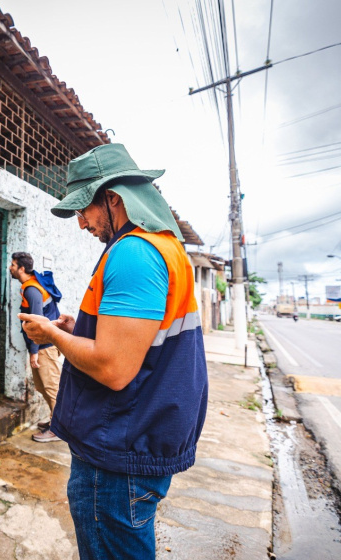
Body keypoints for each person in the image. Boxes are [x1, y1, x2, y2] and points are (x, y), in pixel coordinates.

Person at [19, 144, 209, 560]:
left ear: (114, 199)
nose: (81, 223)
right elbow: (133, 340)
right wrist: (77, 328)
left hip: (119, 448)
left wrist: (52, 335)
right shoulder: (162, 247)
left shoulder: (134, 253)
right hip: (134, 437)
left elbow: (113, 367)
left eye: (84, 210)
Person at [9, 251, 64, 442]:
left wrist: (33, 352)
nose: (10, 268)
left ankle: (58, 429)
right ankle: (55, 420)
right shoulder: (30, 285)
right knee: (43, 387)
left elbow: (37, 323)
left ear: (21, 268)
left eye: (13, 265)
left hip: (45, 347)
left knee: (52, 388)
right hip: (42, 347)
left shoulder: (32, 289)